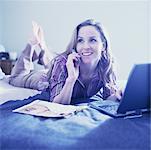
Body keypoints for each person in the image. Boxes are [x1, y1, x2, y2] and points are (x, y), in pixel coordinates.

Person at [9, 19, 122, 105]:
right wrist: (71, 79)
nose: (86, 46)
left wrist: (118, 96)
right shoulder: (62, 63)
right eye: (80, 40)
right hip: (44, 80)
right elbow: (57, 104)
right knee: (16, 77)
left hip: (56, 72)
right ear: (75, 45)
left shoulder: (107, 64)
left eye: (92, 40)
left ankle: (43, 51)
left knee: (54, 65)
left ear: (103, 45)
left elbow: (108, 99)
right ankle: (32, 44)